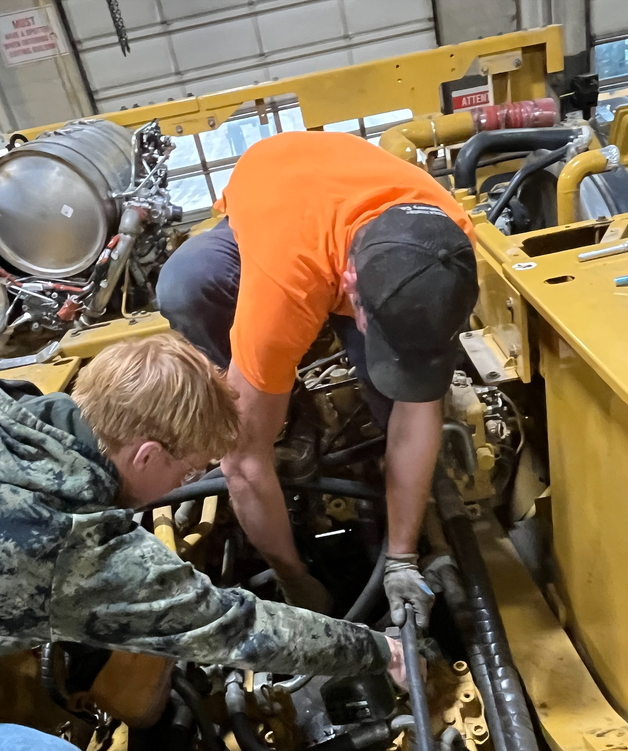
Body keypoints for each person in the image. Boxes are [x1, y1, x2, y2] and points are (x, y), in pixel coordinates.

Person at [0, 333, 407, 751]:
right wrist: (380, 652)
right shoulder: (72, 549)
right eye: (187, 472)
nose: (188, 482)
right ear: (149, 453)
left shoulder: (7, 401)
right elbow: (238, 628)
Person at [157, 130, 479, 627]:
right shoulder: (287, 281)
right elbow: (243, 464)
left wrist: (401, 559)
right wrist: (293, 579)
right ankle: (288, 418)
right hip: (280, 195)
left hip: (342, 217)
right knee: (188, 284)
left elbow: (419, 410)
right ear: (347, 285)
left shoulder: (447, 248)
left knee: (396, 395)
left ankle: (398, 493)